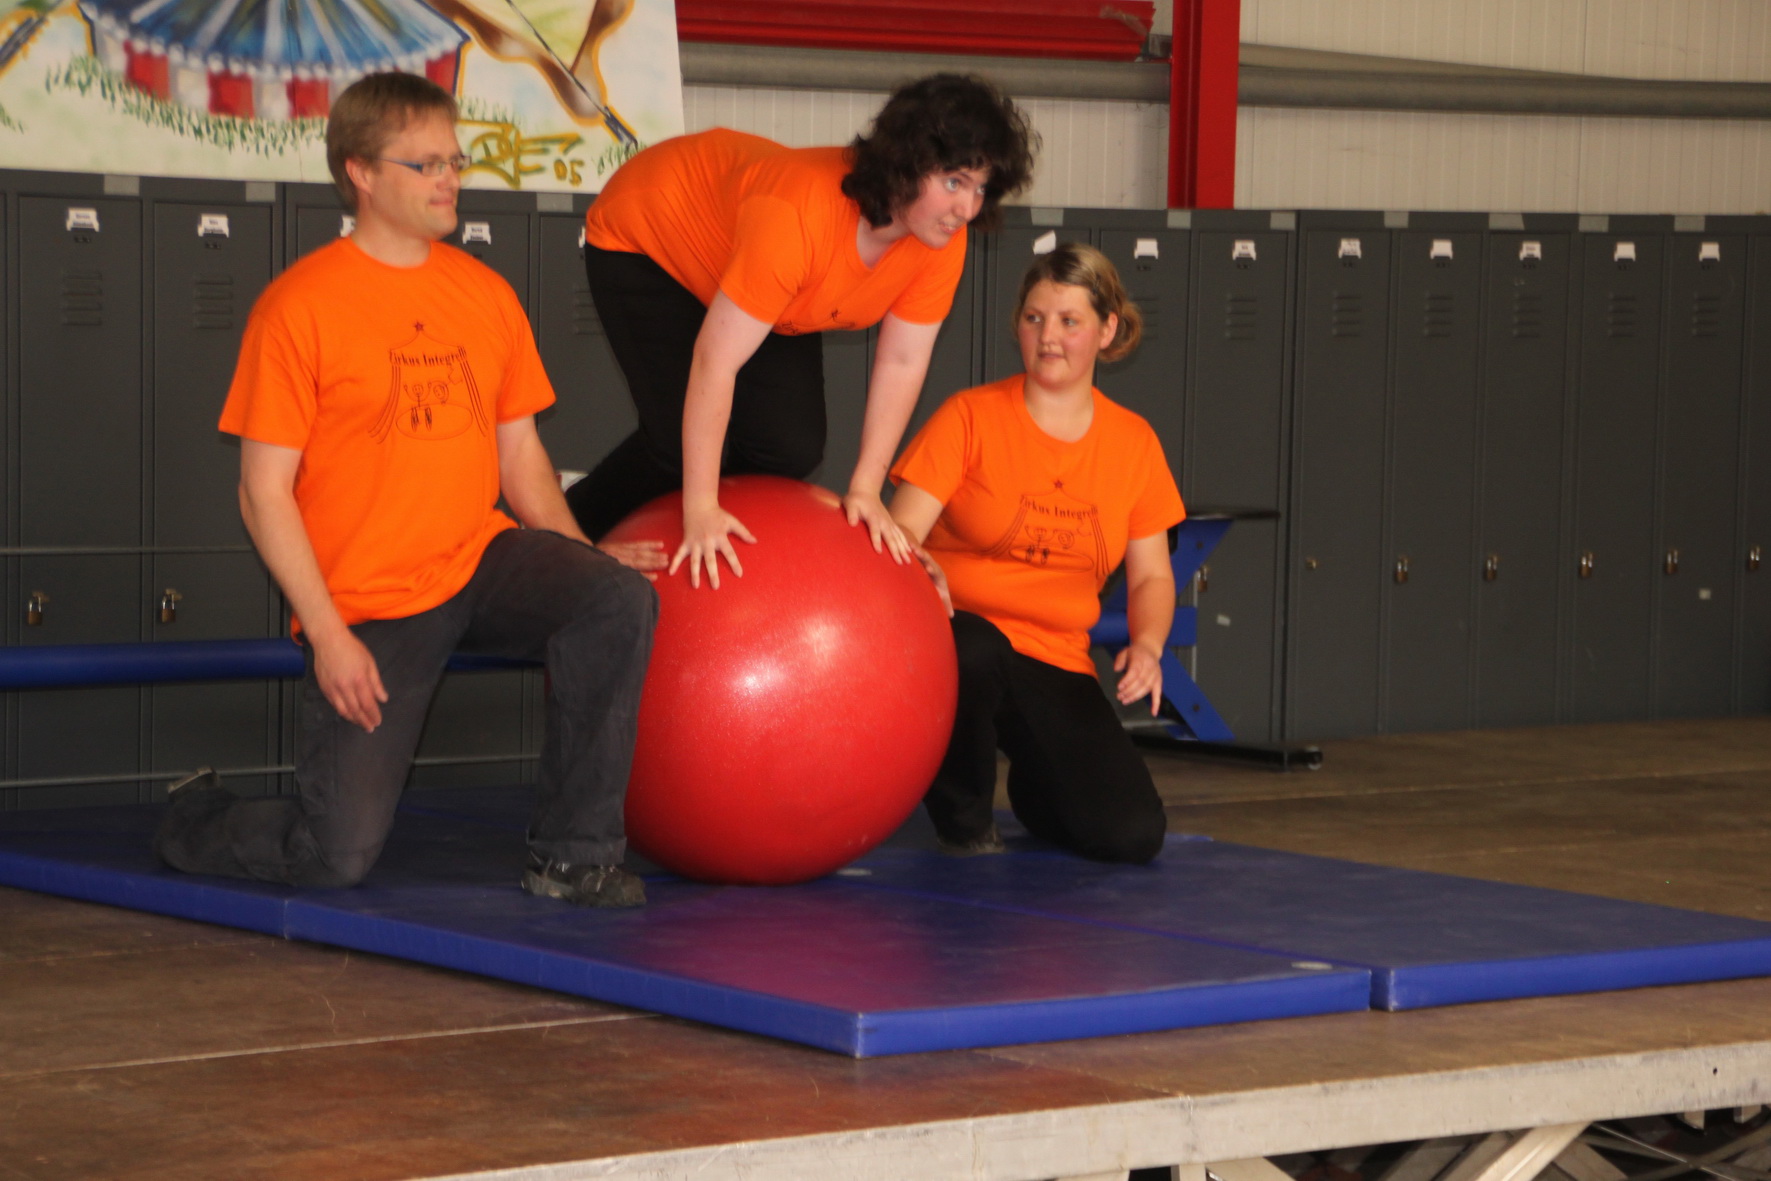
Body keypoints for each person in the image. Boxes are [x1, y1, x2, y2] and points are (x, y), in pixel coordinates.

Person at [153, 73, 666, 907]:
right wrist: (328, 634)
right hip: (370, 598)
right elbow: (261, 492)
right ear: (360, 172)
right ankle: (194, 815)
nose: (448, 179)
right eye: (424, 164)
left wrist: (583, 557)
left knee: (613, 599)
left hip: (476, 558)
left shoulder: (485, 294)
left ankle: (573, 856)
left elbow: (520, 456)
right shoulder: (298, 307)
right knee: (334, 856)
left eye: (454, 161)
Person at [565, 73, 1037, 587]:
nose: (967, 209)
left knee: (790, 449)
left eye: (980, 188)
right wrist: (700, 508)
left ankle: (717, 544)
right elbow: (716, 361)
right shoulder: (800, 216)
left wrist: (865, 487)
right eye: (954, 183)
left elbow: (902, 360)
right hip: (650, 235)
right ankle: (567, 533)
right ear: (907, 164)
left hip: (749, 264)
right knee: (677, 446)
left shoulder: (937, 241)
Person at [889, 244, 1183, 864]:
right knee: (971, 648)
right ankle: (963, 820)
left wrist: (1149, 646)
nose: (1048, 337)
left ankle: (1037, 788)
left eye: (1069, 321)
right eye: (1034, 318)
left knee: (1131, 835)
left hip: (1054, 655)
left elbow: (1152, 575)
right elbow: (898, 536)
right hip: (959, 639)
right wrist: (917, 561)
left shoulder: (1134, 442)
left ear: (1106, 330)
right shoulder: (969, 417)